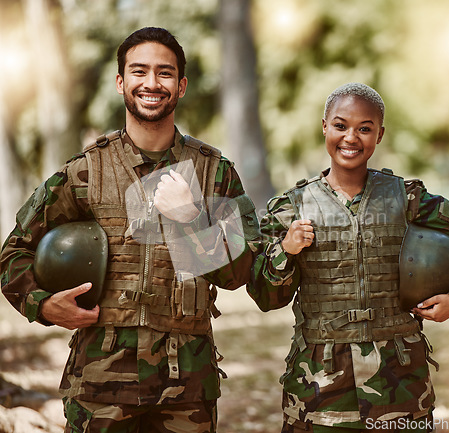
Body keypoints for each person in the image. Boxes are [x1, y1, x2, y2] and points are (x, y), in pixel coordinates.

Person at [1, 27, 259, 433]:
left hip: (186, 388)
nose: (151, 83)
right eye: (139, 71)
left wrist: (191, 217)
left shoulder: (215, 173)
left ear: (182, 85)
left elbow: (239, 273)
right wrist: (43, 306)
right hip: (99, 384)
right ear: (121, 82)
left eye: (165, 73)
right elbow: (13, 254)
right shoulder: (84, 171)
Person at [247, 82, 449, 433]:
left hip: (400, 385)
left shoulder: (409, 199)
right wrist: (285, 252)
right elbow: (263, 295)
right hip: (319, 390)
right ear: (324, 126)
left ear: (379, 135)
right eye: (340, 125)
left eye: (364, 129)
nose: (351, 137)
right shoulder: (290, 208)